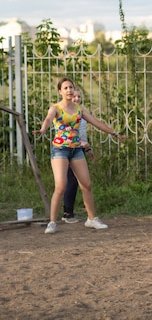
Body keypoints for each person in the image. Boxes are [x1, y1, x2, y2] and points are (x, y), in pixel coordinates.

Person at [33, 77, 127, 234]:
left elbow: (96, 122)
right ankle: (52, 222)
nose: (69, 90)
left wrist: (115, 133)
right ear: (60, 91)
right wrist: (43, 130)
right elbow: (48, 120)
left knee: (86, 185)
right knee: (61, 185)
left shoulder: (79, 109)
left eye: (71, 87)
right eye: (65, 88)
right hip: (60, 150)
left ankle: (91, 219)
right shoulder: (55, 108)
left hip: (76, 150)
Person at [61, 87, 94, 223]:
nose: (76, 99)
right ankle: (67, 213)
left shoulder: (81, 111)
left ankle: (72, 212)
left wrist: (87, 148)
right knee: (71, 181)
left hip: (79, 149)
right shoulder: (66, 113)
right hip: (69, 150)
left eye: (79, 97)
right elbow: (68, 133)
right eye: (74, 96)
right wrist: (81, 144)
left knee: (79, 182)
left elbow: (82, 133)